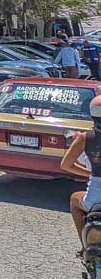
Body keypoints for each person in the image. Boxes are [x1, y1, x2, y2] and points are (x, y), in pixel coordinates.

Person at [60, 97, 101, 243]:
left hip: (94, 199)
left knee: (74, 200)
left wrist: (89, 173)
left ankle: (85, 244)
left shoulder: (84, 138)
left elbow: (65, 165)